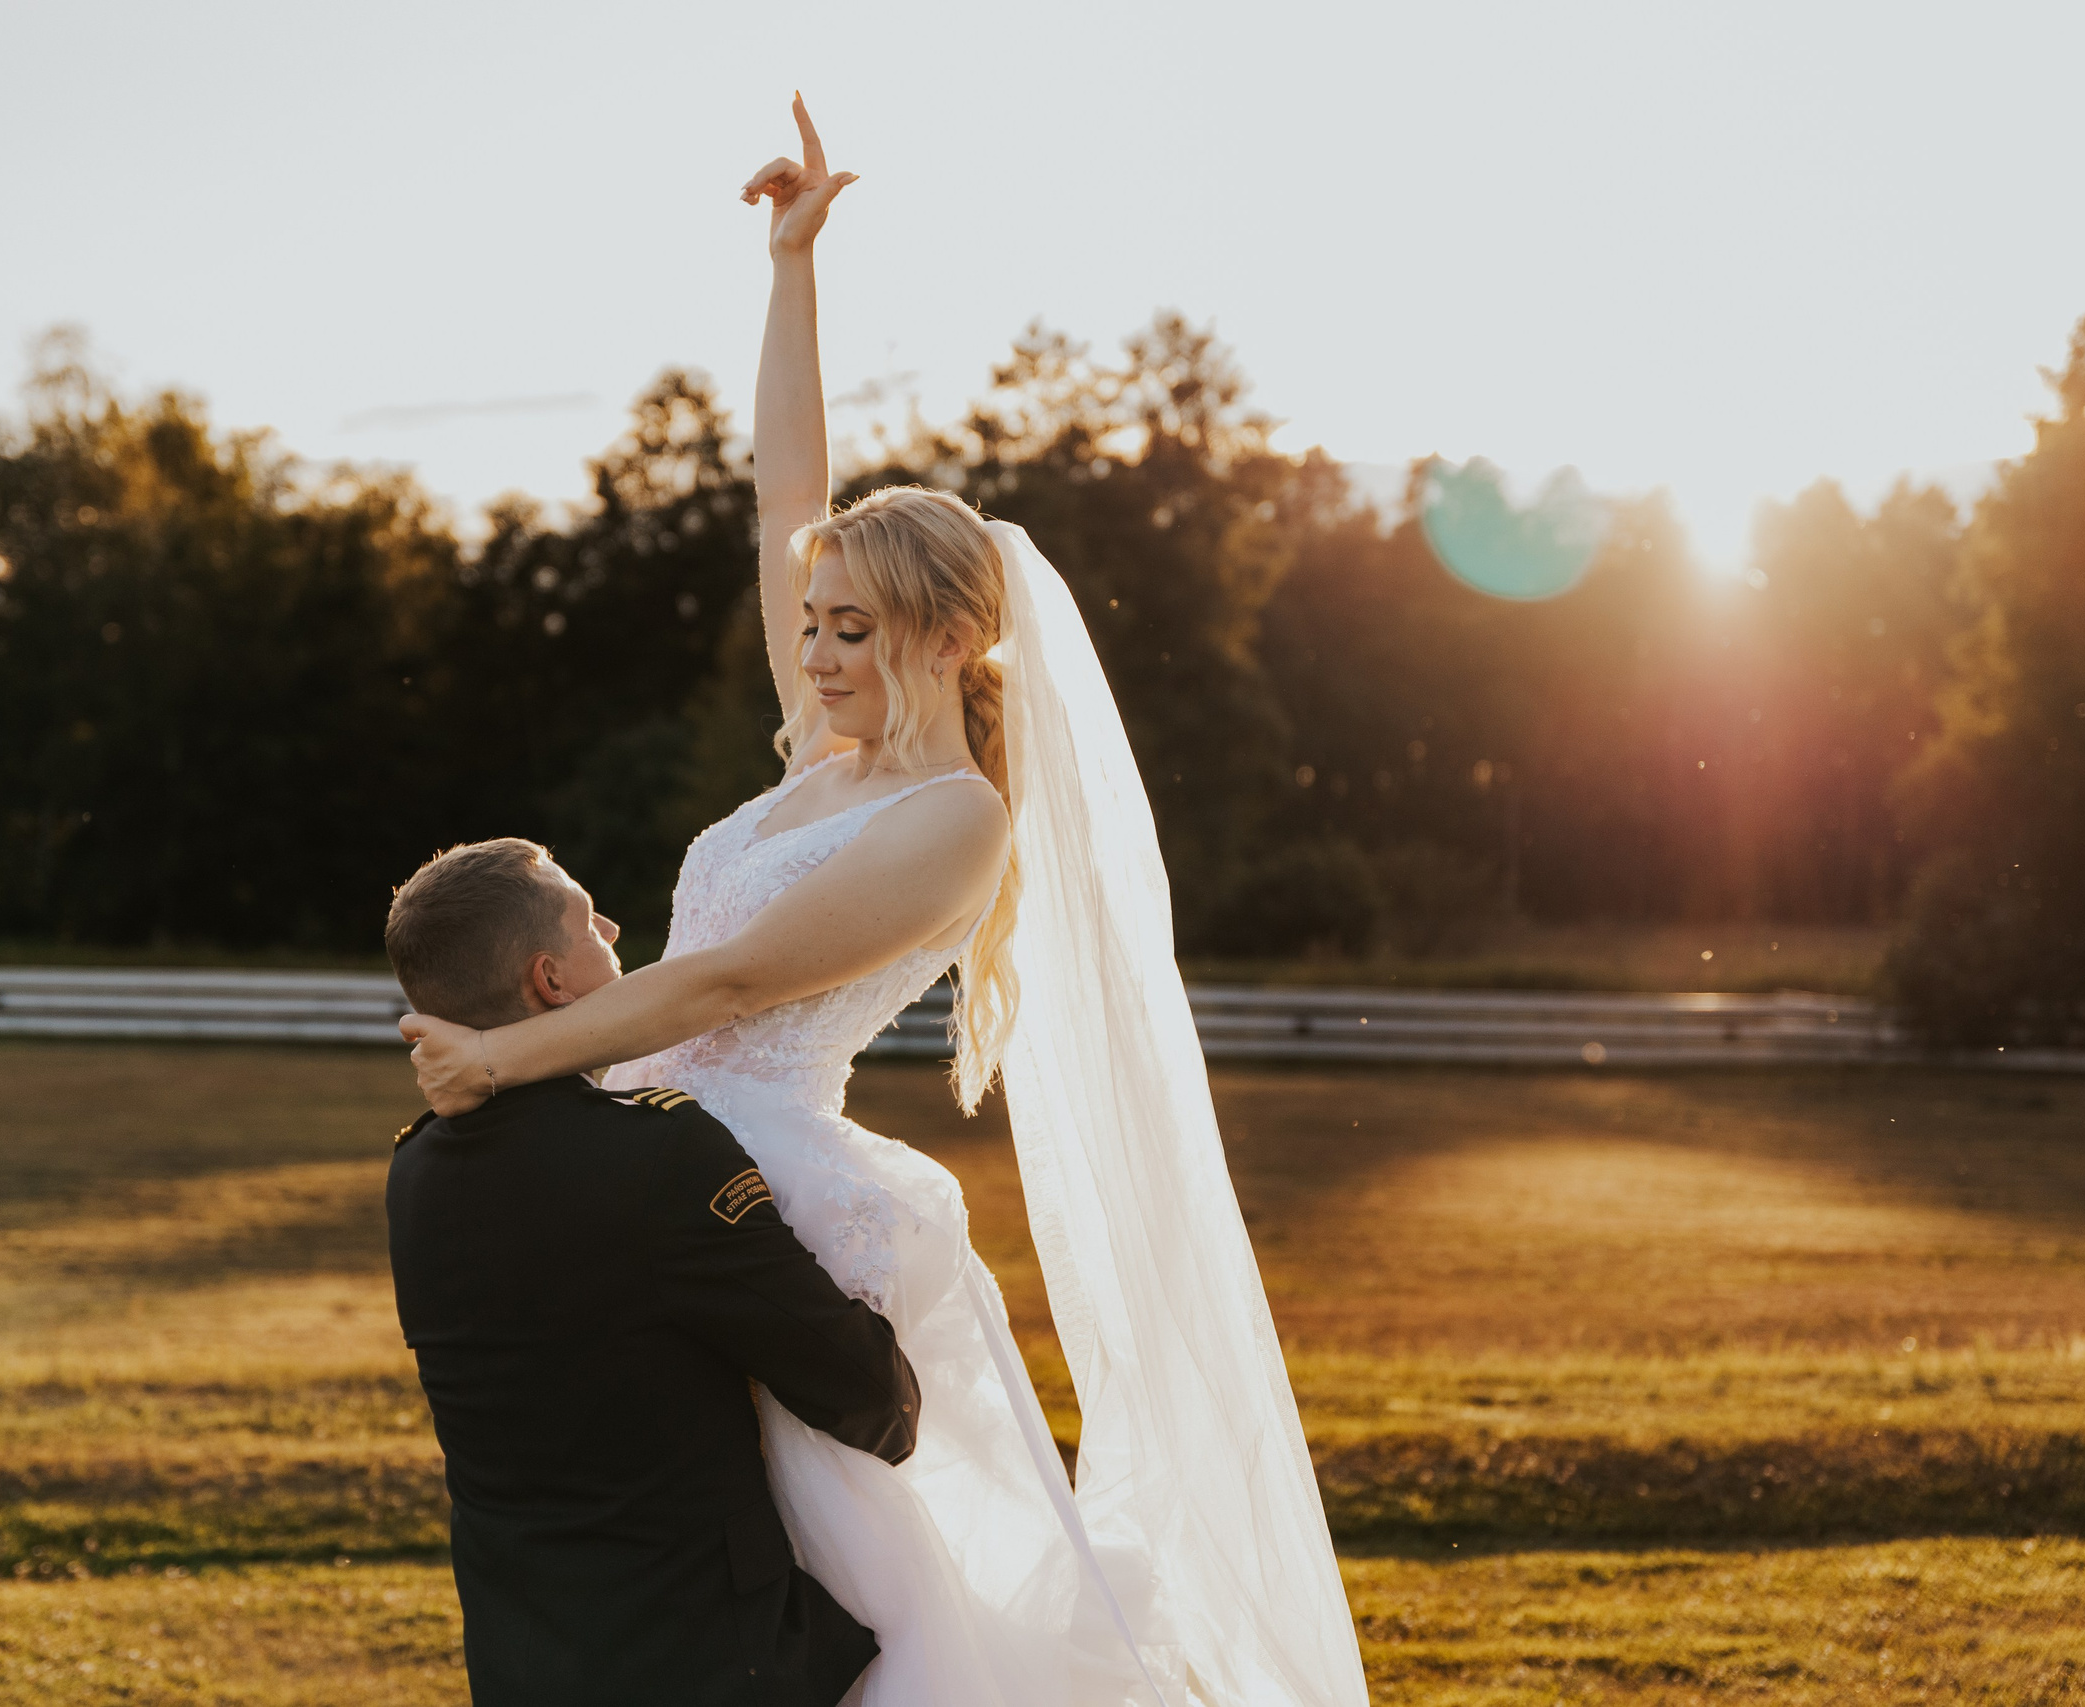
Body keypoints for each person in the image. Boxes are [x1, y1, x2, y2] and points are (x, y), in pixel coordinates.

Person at [398, 97, 1370, 1707]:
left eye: (853, 624)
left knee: (848, 1592)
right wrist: (793, 272)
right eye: (817, 621)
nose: (822, 646)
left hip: (772, 1181)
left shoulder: (954, 821)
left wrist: (503, 1062)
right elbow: (789, 488)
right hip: (656, 1139)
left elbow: (723, 988)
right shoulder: (818, 752)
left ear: (937, 636)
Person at [382, 837, 922, 1707]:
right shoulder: (657, 1152)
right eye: (587, 918)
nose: (613, 926)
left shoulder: (415, 1171)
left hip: (525, 1658)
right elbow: (866, 1396)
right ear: (550, 981)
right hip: (704, 1660)